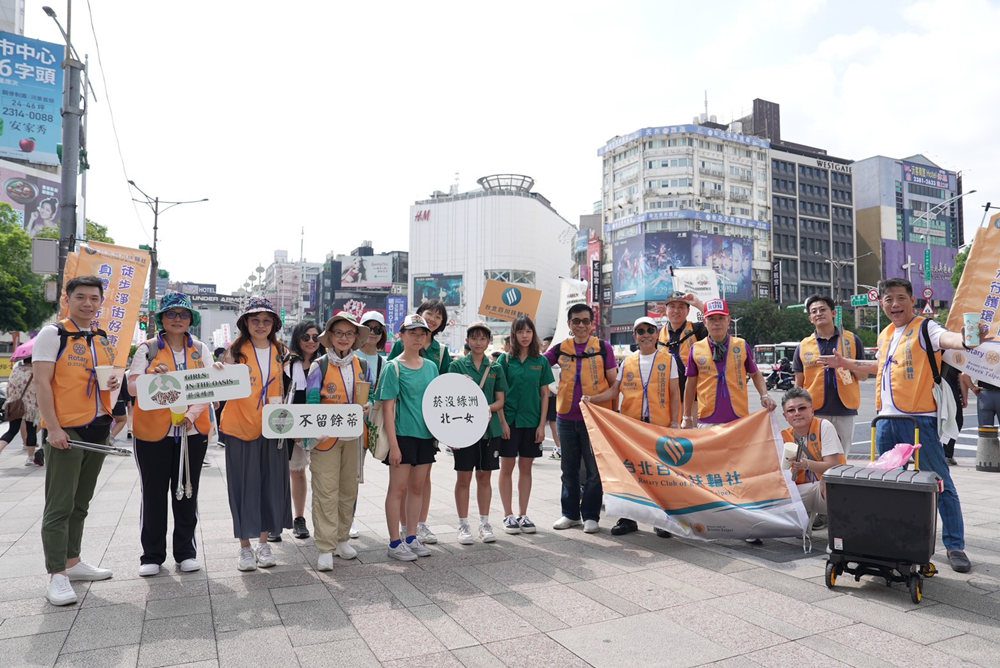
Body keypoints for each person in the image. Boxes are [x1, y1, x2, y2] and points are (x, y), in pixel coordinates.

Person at [824, 278, 992, 573]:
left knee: (939, 483)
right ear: (882, 303)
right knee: (885, 485)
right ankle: (889, 541)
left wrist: (967, 338)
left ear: (912, 300)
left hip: (919, 420)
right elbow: (879, 366)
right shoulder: (887, 333)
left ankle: (954, 545)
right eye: (888, 300)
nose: (894, 305)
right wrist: (846, 363)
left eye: (900, 298)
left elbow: (949, 339)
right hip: (886, 421)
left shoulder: (926, 328)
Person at [34, 276, 119, 605]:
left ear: (100, 302)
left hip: (98, 426)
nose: (87, 303)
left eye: (94, 298)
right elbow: (42, 383)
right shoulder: (52, 333)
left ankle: (73, 562)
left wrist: (113, 381)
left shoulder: (101, 336)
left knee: (80, 503)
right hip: (66, 430)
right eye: (80, 297)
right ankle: (56, 574)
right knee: (59, 505)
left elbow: (102, 380)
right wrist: (53, 428)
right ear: (67, 299)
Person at [128, 293, 215, 577]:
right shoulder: (148, 349)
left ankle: (186, 552)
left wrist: (192, 414)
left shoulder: (200, 349)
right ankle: (151, 555)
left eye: (183, 314)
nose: (177, 319)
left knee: (187, 492)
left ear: (191, 320)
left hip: (192, 430)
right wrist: (153, 376)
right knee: (153, 494)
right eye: (171, 314)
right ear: (162, 318)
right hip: (153, 432)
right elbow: (132, 387)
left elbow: (209, 386)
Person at [587, 316, 679, 537]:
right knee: (630, 473)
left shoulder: (668, 359)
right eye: (640, 331)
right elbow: (613, 391)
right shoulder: (627, 361)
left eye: (649, 330)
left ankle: (661, 520)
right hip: (631, 427)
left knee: (658, 474)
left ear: (657, 334)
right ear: (634, 336)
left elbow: (676, 393)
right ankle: (628, 519)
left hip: (659, 427)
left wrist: (676, 422)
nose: (645, 335)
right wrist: (592, 399)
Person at [219, 297, 292, 572]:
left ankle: (264, 542)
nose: (260, 325)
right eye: (255, 320)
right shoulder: (234, 351)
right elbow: (222, 387)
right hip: (240, 426)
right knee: (241, 486)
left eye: (266, 320)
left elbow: (289, 387)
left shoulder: (281, 351)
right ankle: (245, 548)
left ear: (274, 324)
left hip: (273, 428)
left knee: (270, 484)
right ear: (245, 323)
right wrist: (218, 373)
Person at [306, 312, 372, 570]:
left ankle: (342, 538)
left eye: (349, 333)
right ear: (330, 337)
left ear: (355, 338)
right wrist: (310, 438)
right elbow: (311, 403)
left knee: (348, 490)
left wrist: (368, 406)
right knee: (325, 490)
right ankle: (325, 546)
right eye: (339, 333)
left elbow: (372, 397)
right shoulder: (319, 366)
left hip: (354, 439)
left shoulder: (363, 366)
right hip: (325, 439)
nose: (344, 338)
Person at [544, 304, 616, 533]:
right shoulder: (560, 349)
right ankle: (570, 514)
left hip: (594, 418)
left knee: (594, 470)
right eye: (576, 321)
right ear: (569, 324)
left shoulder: (604, 348)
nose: (581, 325)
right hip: (565, 417)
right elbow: (537, 365)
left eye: (586, 321)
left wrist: (597, 400)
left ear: (592, 323)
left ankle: (591, 515)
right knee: (569, 468)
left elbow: (615, 385)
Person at [376, 314, 439, 561]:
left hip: (425, 437)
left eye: (421, 333)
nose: (417, 337)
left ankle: (411, 536)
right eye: (412, 333)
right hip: (402, 435)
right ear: (401, 336)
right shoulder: (393, 367)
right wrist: (393, 445)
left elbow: (437, 402)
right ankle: (394, 542)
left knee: (417, 487)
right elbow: (387, 408)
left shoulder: (431, 367)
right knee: (398, 488)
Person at [387, 300, 451, 545]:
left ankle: (417, 526)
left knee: (423, 479)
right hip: (404, 428)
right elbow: (389, 385)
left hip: (428, 427)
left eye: (438, 316)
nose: (434, 319)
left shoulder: (440, 353)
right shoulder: (398, 356)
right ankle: (403, 529)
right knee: (400, 484)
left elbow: (443, 386)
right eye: (429, 314)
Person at [448, 322, 507, 544]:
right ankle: (463, 524)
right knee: (463, 478)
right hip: (464, 430)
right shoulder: (457, 367)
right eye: (474, 338)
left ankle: (484, 523)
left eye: (483, 339)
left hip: (489, 431)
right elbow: (450, 399)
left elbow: (500, 400)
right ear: (468, 340)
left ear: (489, 341)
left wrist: (486, 409)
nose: (478, 342)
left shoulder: (495, 368)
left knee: (484, 477)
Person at [497, 317, 555, 535]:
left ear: (533, 334)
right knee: (507, 467)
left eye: (528, 331)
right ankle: (508, 515)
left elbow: (545, 395)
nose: (524, 335)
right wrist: (502, 422)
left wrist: (542, 425)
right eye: (520, 331)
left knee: (526, 468)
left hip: (532, 422)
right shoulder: (504, 361)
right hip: (510, 423)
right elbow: (498, 393)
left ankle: (523, 513)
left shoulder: (540, 362)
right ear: (513, 334)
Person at [269, 321, 324, 542]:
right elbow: (278, 394)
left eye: (315, 337)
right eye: (306, 337)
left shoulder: (325, 363)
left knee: (302, 472)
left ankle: (299, 518)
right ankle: (275, 522)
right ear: (298, 339)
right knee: (284, 473)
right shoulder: (287, 363)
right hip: (288, 424)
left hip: (318, 423)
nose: (311, 341)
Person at [682, 299, 775, 428]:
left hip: (738, 419)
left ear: (728, 320)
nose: (717, 323)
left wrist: (764, 396)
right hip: (707, 420)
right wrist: (686, 416)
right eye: (712, 319)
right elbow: (690, 384)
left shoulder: (741, 345)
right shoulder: (696, 348)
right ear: (704, 322)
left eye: (721, 318)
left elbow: (755, 374)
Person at [793, 295, 865, 451]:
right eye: (814, 311)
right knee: (816, 454)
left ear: (833, 313)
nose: (818, 313)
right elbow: (798, 383)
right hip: (815, 410)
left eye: (823, 309)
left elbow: (863, 376)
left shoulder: (852, 340)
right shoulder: (803, 346)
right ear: (810, 318)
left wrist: (845, 363)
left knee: (841, 455)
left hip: (845, 409)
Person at [779, 387, 846, 519]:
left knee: (827, 483)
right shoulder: (783, 435)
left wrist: (806, 464)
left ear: (812, 410)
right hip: (799, 489)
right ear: (785, 416)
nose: (797, 413)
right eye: (791, 410)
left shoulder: (824, 426)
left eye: (802, 408)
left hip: (825, 488)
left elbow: (833, 466)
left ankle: (840, 533)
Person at [353, 310, 388, 539]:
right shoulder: (351, 356)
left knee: (356, 473)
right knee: (351, 474)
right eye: (369, 328)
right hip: (351, 423)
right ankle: (347, 520)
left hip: (374, 424)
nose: (373, 333)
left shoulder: (386, 362)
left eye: (377, 329)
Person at [656, 291, 708, 410]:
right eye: (672, 307)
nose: (676, 311)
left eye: (681, 307)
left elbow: (715, 323)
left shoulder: (697, 330)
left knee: (691, 429)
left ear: (688, 311)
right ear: (666, 310)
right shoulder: (656, 334)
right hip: (666, 399)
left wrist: (698, 304)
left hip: (693, 399)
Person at [1, 357, 39, 465]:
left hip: (14, 404)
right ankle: (30, 458)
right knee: (31, 431)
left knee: (12, 431)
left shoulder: (16, 370)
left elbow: (9, 387)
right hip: (31, 407)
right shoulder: (35, 371)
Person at [541, 336, 561, 459]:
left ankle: (560, 448)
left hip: (554, 397)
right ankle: (559, 447)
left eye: (545, 345)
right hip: (550, 396)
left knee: (554, 426)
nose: (543, 347)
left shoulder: (554, 362)